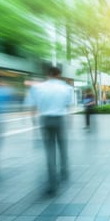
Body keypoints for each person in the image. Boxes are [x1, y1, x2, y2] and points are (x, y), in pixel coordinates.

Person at [25, 66, 73, 194]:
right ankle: (64, 171)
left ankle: (52, 183)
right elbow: (68, 106)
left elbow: (32, 107)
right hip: (60, 119)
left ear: (48, 74)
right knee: (63, 146)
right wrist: (69, 122)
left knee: (50, 150)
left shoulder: (37, 87)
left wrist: (34, 122)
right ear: (59, 74)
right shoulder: (66, 87)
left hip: (45, 120)